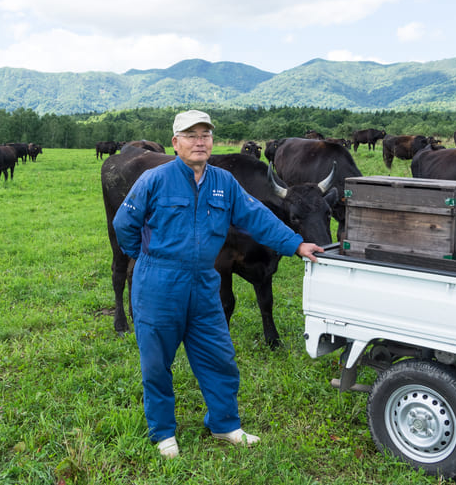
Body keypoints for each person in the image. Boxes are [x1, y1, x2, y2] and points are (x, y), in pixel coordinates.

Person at [112, 109, 324, 458]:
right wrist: (148, 260)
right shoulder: (154, 180)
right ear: (175, 142)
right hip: (159, 283)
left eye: (205, 135)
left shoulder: (223, 183)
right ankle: (163, 432)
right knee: (156, 362)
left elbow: (257, 216)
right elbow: (125, 225)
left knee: (219, 357)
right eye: (191, 135)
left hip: (204, 283)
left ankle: (224, 424)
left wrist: (296, 244)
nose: (200, 141)